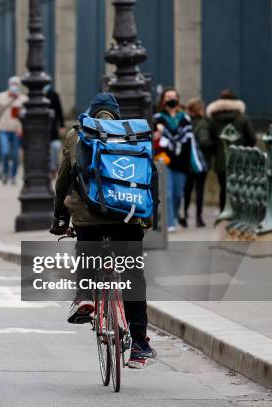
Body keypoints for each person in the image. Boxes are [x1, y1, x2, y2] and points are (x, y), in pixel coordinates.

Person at [50, 93, 156, 369]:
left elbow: (63, 180)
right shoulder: (133, 135)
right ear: (116, 115)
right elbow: (149, 176)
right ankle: (140, 346)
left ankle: (86, 297)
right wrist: (148, 215)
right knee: (133, 275)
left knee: (87, 251)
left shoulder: (76, 135)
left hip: (89, 216)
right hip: (129, 215)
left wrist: (60, 217)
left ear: (92, 112)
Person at [153, 88, 203, 233]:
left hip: (181, 162)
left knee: (177, 194)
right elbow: (154, 139)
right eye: (168, 97)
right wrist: (157, 134)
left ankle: (173, 217)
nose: (171, 99)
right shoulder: (158, 118)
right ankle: (169, 223)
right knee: (167, 193)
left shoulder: (185, 119)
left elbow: (191, 142)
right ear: (163, 100)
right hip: (164, 160)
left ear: (178, 99)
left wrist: (196, 163)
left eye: (174, 96)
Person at [202, 90, 256, 212]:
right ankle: (240, 211)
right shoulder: (242, 117)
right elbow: (252, 137)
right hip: (240, 158)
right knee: (241, 186)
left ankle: (224, 211)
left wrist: (216, 151)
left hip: (221, 159)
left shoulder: (213, 118)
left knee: (224, 187)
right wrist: (247, 150)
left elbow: (209, 139)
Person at [0, 76, 27, 185]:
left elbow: (24, 118)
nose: (14, 86)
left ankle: (13, 176)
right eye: (13, 84)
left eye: (16, 84)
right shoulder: (1, 97)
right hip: (3, 129)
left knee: (15, 156)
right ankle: (5, 173)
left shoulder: (23, 99)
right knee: (4, 152)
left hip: (16, 130)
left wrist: (22, 129)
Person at [182, 99, 208, 227]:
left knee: (187, 190)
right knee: (199, 191)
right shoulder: (202, 123)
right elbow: (204, 141)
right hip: (199, 161)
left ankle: (185, 215)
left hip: (187, 162)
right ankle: (199, 218)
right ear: (198, 110)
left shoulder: (185, 121)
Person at [45, 84, 66, 179]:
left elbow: (59, 110)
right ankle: (47, 170)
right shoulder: (33, 94)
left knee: (55, 147)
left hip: (52, 129)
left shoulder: (53, 95)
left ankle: (53, 168)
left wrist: (62, 125)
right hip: (39, 130)